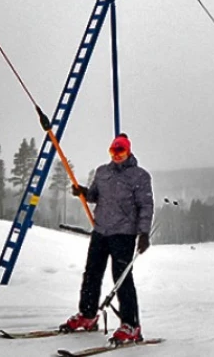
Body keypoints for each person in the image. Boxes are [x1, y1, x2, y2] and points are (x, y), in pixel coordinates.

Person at [60, 133, 154, 344]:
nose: (116, 155)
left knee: (122, 279)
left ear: (128, 151)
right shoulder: (102, 172)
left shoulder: (139, 176)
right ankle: (88, 314)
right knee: (91, 273)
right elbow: (94, 195)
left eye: (120, 151)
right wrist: (83, 192)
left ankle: (131, 325)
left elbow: (146, 206)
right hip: (101, 231)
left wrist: (144, 233)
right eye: (113, 151)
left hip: (124, 234)